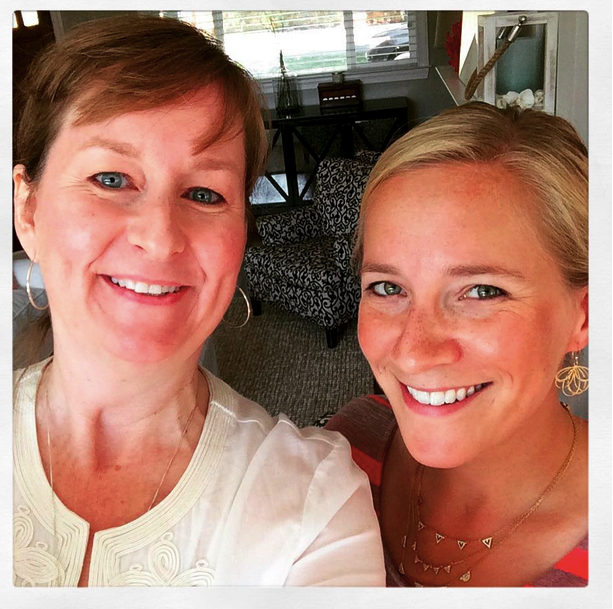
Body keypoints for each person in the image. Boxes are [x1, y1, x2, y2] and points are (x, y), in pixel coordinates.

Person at [12, 15, 384, 587]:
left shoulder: (316, 505)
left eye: (205, 193)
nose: (160, 237)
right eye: (111, 179)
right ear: (29, 211)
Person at [327, 102, 588, 587]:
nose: (414, 352)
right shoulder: (346, 448)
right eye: (387, 287)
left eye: (482, 292)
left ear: (584, 316)